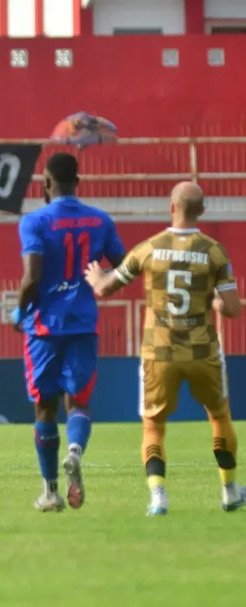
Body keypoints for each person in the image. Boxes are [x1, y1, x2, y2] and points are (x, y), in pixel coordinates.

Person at [85, 181, 246, 515]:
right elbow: (232, 308)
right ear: (202, 211)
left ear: (171, 207)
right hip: (202, 351)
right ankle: (230, 490)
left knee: (154, 426)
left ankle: (158, 496)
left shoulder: (149, 248)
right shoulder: (214, 251)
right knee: (218, 416)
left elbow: (104, 288)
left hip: (159, 353)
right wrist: (214, 302)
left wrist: (95, 275)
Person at [15, 152, 126, 512]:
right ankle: (75, 452)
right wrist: (101, 284)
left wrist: (19, 309)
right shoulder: (100, 220)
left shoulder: (34, 221)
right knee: (78, 402)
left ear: (46, 184)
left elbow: (32, 277)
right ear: (77, 182)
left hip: (44, 328)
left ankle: (50, 491)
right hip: (82, 322)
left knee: (44, 407)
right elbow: (125, 266)